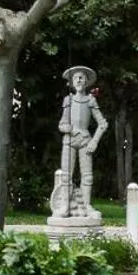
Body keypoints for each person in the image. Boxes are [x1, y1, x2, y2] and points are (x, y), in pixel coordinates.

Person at [54, 66, 107, 218]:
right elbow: (62, 124)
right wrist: (68, 129)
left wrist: (94, 141)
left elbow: (103, 124)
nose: (78, 80)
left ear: (86, 82)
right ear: (71, 82)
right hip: (69, 140)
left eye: (81, 77)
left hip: (85, 141)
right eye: (76, 77)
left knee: (87, 175)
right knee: (66, 175)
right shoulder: (68, 100)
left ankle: (87, 205)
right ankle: (65, 206)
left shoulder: (91, 100)